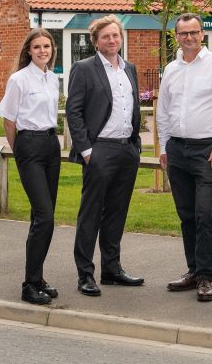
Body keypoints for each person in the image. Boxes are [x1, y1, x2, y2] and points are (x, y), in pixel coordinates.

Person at [157, 13, 212, 302]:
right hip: (177, 150)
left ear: (202, 34)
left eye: (194, 32)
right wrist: (164, 147)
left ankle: (205, 277)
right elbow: (163, 111)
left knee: (205, 214)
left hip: (207, 150)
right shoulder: (171, 69)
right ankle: (193, 271)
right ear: (176, 36)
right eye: (183, 33)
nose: (189, 37)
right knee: (187, 214)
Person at [65, 15, 144, 297]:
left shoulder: (129, 68)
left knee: (117, 213)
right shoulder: (84, 68)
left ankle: (112, 269)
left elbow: (132, 107)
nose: (111, 40)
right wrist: (87, 150)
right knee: (91, 214)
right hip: (99, 150)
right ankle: (85, 274)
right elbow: (73, 111)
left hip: (126, 150)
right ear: (96, 42)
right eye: (106, 37)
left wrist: (135, 145)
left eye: (115, 35)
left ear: (121, 38)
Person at [0, 28, 62, 305]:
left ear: (52, 49)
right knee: (44, 216)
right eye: (37, 47)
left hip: (51, 145)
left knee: (44, 218)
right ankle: (29, 285)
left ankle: (38, 278)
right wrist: (21, 151)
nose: (42, 51)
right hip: (29, 146)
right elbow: (8, 120)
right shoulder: (19, 79)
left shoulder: (53, 79)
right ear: (29, 51)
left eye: (46, 46)